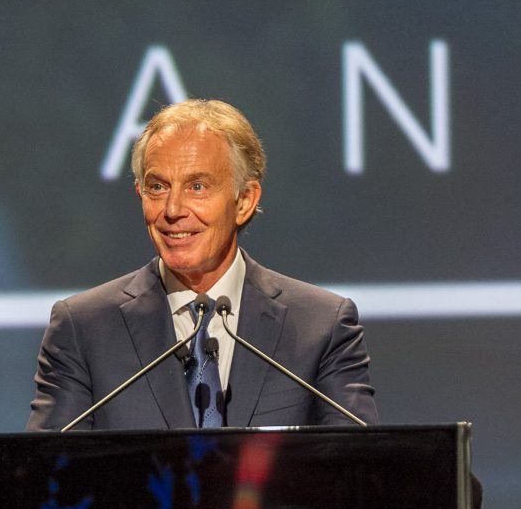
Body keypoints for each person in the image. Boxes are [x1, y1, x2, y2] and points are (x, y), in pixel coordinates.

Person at [27, 99, 378, 431]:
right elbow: (46, 477)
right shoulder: (84, 329)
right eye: (157, 186)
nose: (173, 209)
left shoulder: (321, 326)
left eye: (197, 186)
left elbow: (359, 470)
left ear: (244, 201)